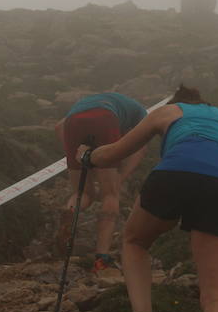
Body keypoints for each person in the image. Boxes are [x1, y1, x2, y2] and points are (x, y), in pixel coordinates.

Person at [79, 85, 218, 312]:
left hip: (174, 172)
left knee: (134, 241)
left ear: (176, 101)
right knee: (217, 297)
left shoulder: (167, 111)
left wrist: (87, 155)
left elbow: (114, 153)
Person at [55, 92, 149, 271]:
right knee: (110, 195)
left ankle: (69, 211)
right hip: (106, 119)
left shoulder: (94, 101)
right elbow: (141, 149)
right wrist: (120, 178)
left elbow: (59, 127)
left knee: (82, 193)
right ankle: (101, 258)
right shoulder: (140, 115)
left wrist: (79, 155)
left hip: (73, 123)